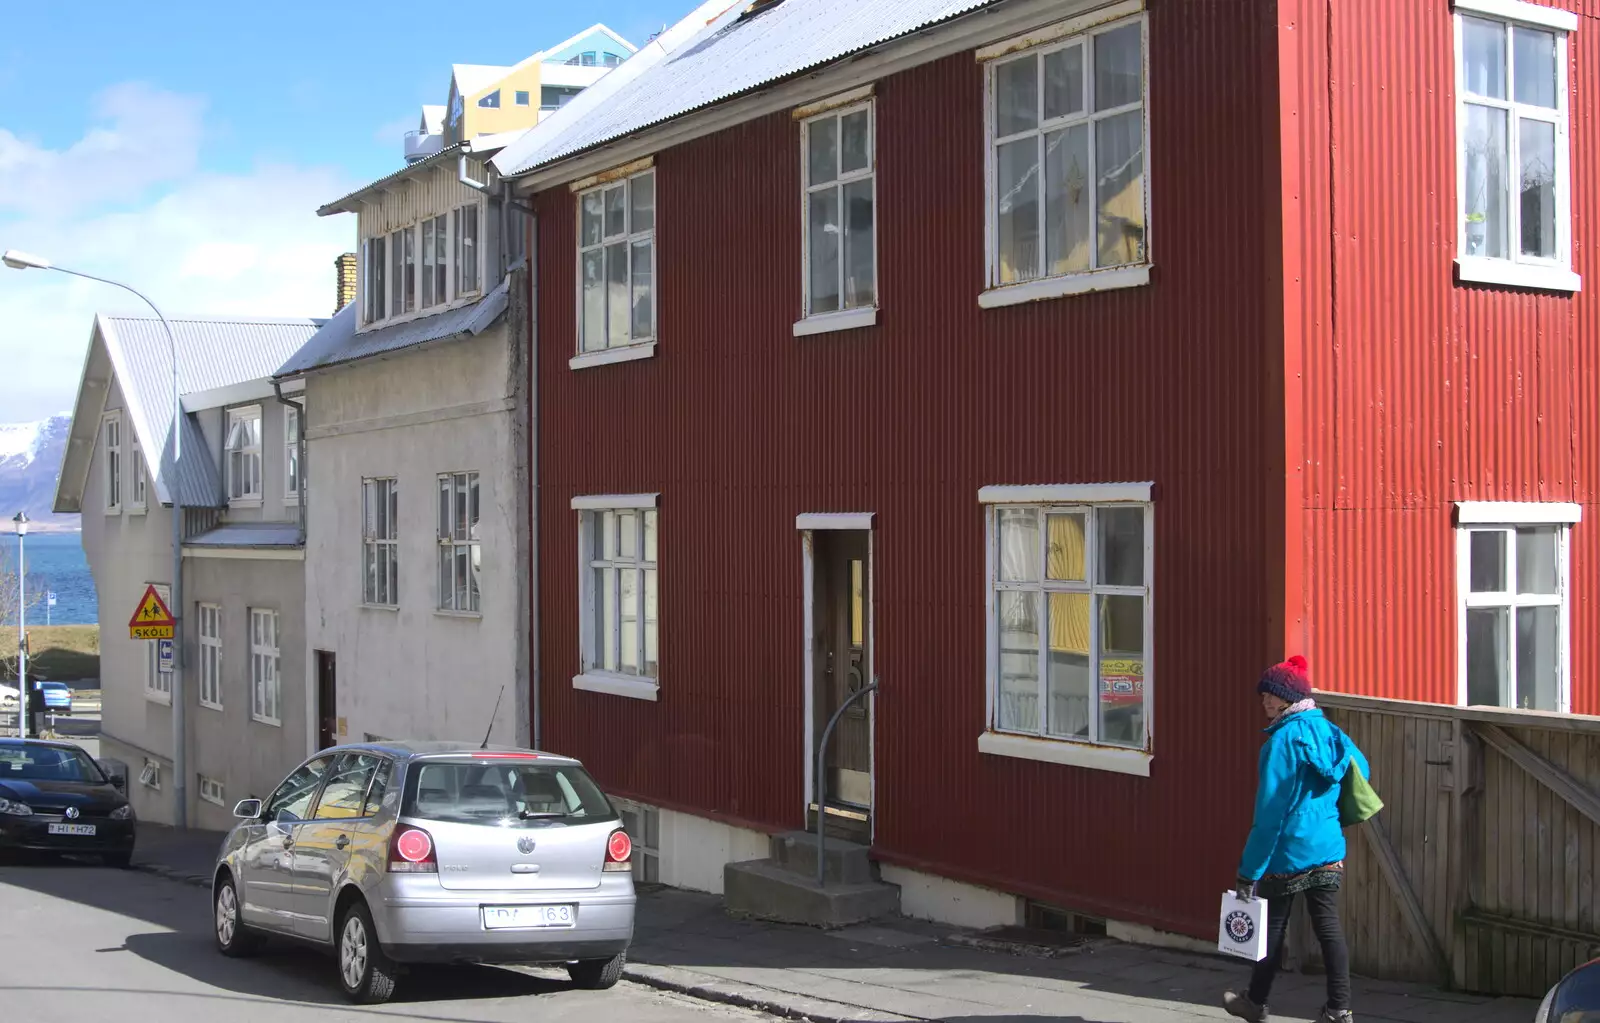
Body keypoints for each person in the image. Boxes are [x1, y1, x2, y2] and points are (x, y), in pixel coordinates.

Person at [1224, 654, 1367, 1023]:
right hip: (1327, 847)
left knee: (1271, 929)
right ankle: (1340, 1009)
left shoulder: (1280, 743)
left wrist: (1248, 871)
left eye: (1272, 695)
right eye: (1264, 696)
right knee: (1329, 928)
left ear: (1289, 698)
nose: (1266, 702)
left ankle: (1255, 1003)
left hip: (1288, 850)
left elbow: (1270, 815)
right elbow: (1360, 771)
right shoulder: (1331, 732)